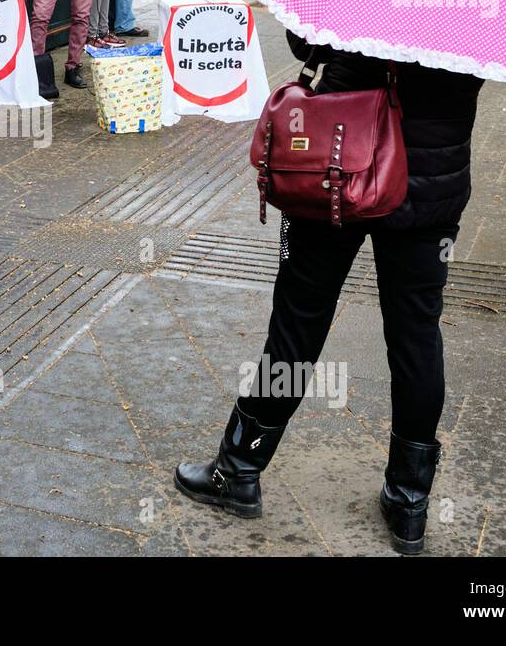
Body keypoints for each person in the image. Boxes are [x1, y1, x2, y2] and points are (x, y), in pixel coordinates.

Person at [175, 33, 484, 555]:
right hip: (431, 183)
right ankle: (409, 501)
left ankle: (240, 467)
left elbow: (304, 40)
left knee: (297, 323)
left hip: (337, 165)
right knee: (416, 335)